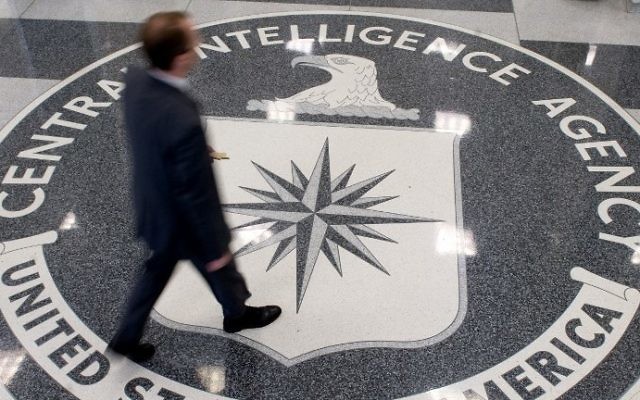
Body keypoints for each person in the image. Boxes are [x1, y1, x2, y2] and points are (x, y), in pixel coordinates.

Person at [108, 11, 281, 362]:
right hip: (183, 221)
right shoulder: (182, 121)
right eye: (192, 42)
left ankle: (126, 336)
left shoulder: (136, 81)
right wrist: (214, 242)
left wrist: (190, 150)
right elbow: (194, 194)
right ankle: (237, 315)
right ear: (180, 57)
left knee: (156, 272)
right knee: (220, 264)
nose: (197, 46)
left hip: (153, 204)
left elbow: (152, 131)